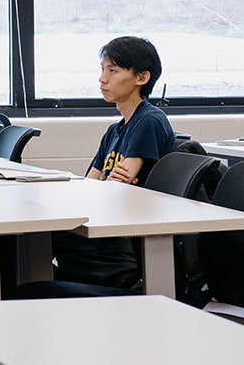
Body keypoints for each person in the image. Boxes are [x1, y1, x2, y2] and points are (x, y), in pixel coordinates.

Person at [57, 36, 176, 290]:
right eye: (102, 70)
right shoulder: (114, 131)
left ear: (141, 78)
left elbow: (118, 185)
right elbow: (91, 184)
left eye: (113, 71)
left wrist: (107, 183)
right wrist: (105, 183)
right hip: (107, 223)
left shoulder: (150, 120)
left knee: (38, 240)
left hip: (121, 241)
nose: (102, 79)